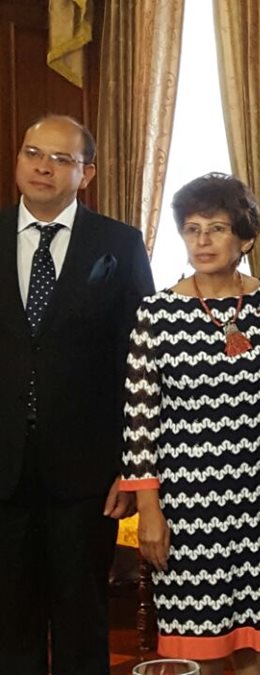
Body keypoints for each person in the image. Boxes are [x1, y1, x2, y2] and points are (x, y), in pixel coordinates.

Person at [120, 173, 260, 674]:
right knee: (197, 649)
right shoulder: (158, 312)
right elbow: (141, 417)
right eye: (191, 229)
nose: (202, 241)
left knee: (259, 643)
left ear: (245, 237)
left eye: (217, 228)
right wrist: (148, 508)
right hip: (188, 510)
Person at [0, 114, 154, 673]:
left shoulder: (118, 243)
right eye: (32, 152)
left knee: (81, 619)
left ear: (85, 174)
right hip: (4, 469)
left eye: (61, 158)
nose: (42, 166)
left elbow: (137, 362)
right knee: (8, 621)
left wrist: (131, 467)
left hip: (88, 475)